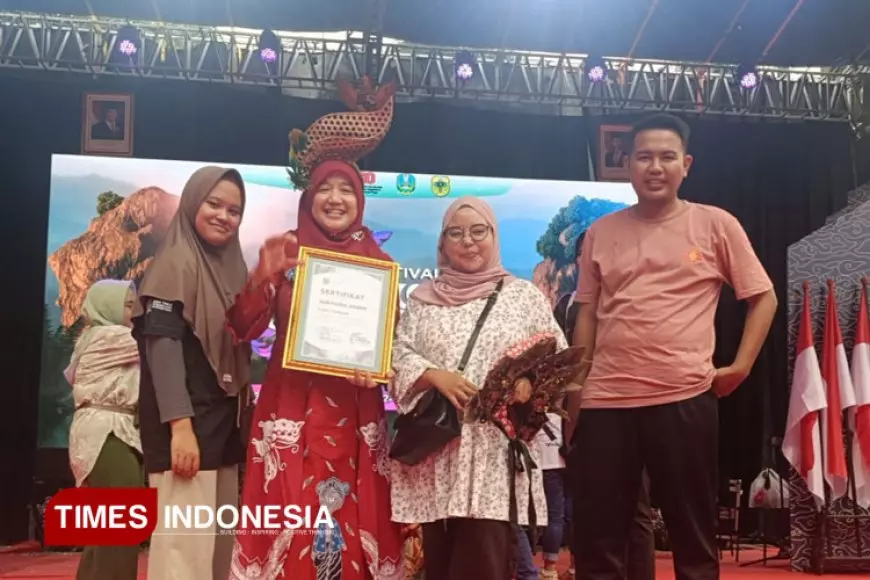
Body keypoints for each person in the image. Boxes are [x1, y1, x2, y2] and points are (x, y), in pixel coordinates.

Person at [567, 113, 777, 580]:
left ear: (686, 164)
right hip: (606, 402)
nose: (655, 166)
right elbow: (587, 315)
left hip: (683, 395)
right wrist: (575, 392)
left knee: (693, 535)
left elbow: (762, 297)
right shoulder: (601, 233)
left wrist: (740, 366)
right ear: (628, 164)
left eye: (666, 157)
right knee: (598, 538)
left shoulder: (715, 224)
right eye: (644, 156)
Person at [227, 82, 404, 579]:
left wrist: (381, 369)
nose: (334, 198)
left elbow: (391, 346)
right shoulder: (284, 252)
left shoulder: (380, 264)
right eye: (324, 187)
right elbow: (242, 328)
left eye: (346, 189)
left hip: (354, 410)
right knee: (294, 521)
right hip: (291, 409)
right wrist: (262, 279)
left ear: (360, 199)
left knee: (347, 523)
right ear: (309, 197)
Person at [389, 196, 568, 580]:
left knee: (485, 563)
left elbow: (557, 361)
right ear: (443, 242)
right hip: (436, 457)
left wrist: (526, 385)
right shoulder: (423, 302)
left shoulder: (523, 298)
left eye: (478, 231)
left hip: (492, 460)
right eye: (456, 233)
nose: (467, 241)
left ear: (493, 235)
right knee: (438, 564)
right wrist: (433, 374)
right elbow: (397, 355)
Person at [132, 166, 251, 580]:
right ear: (191, 203)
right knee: (184, 551)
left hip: (220, 428)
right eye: (213, 204)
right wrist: (180, 427)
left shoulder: (231, 269)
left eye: (234, 210)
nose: (224, 216)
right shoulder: (176, 262)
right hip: (187, 429)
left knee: (218, 548)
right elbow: (162, 349)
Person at [557, 233, 656, 580]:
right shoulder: (566, 304)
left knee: (636, 507)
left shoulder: (628, 297)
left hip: (626, 405)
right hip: (579, 408)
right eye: (583, 254)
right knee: (588, 503)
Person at [67, 279, 142, 580]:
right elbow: (157, 340)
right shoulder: (111, 336)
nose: (133, 312)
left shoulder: (93, 337)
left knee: (106, 530)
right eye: (127, 305)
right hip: (108, 433)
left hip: (107, 430)